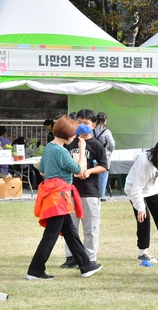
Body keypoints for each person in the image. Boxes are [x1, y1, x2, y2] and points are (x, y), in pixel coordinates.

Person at [27, 116, 102, 280]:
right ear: (67, 134)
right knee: (51, 234)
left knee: (70, 232)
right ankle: (35, 270)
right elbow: (79, 170)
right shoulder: (61, 151)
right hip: (59, 196)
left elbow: (42, 171)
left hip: (53, 194)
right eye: (74, 134)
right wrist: (82, 149)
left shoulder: (49, 148)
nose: (75, 137)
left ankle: (86, 266)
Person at [60, 108, 108, 269]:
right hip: (71, 190)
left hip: (90, 192)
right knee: (70, 227)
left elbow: (104, 166)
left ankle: (90, 257)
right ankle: (71, 256)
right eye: (79, 122)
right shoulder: (69, 143)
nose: (81, 126)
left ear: (93, 125)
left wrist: (89, 171)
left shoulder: (96, 144)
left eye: (85, 123)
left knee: (91, 226)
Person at [94, 111, 115, 201]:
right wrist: (110, 150)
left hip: (94, 156)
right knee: (103, 176)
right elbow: (112, 144)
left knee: (94, 175)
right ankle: (102, 196)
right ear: (105, 120)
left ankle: (94, 194)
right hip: (105, 156)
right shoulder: (107, 132)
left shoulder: (92, 130)